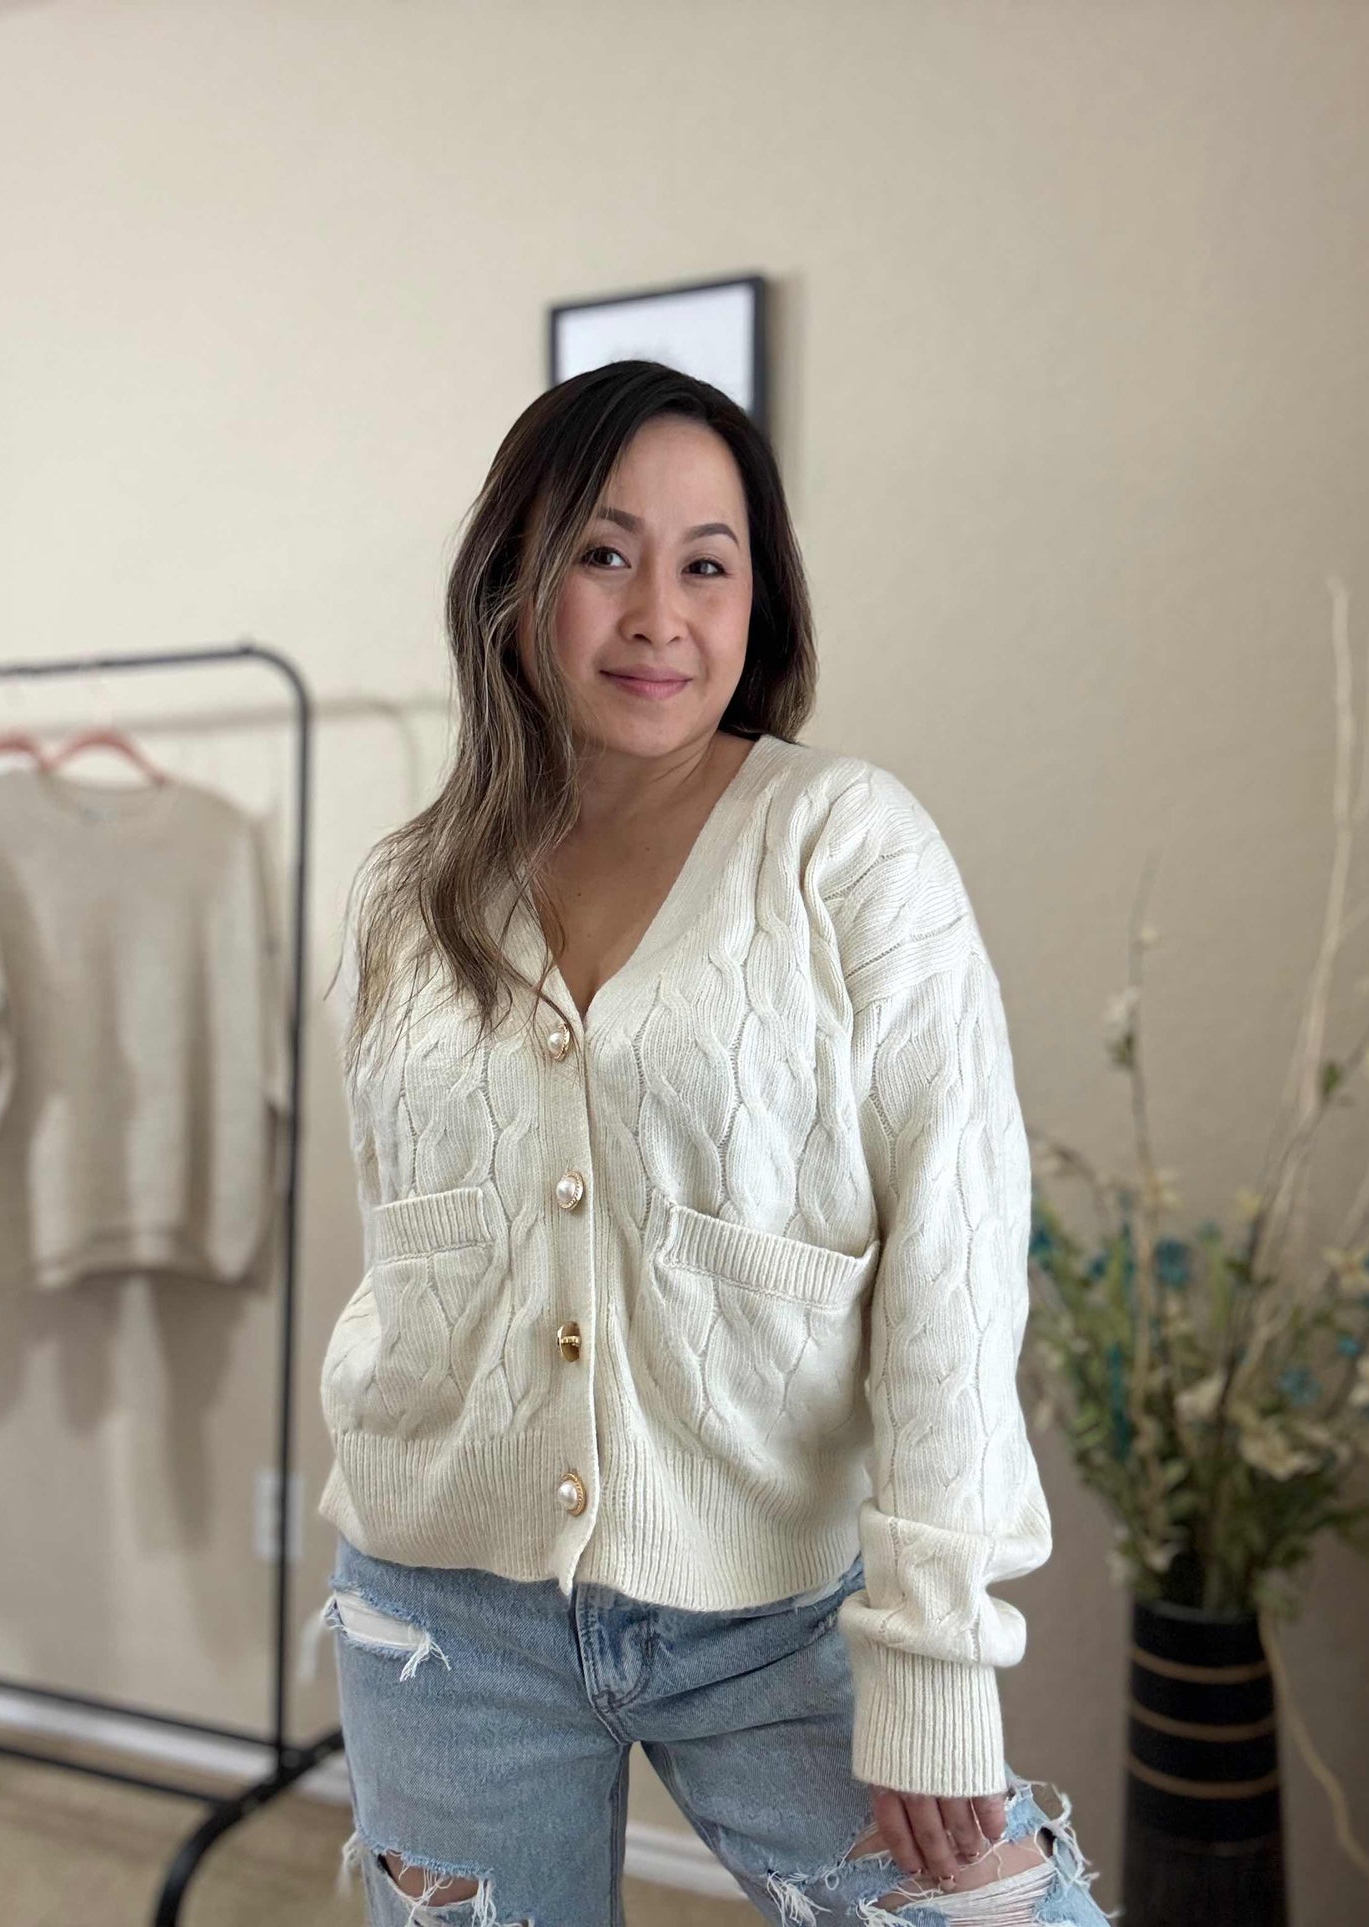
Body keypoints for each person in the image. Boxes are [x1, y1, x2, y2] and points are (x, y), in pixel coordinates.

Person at [315, 359, 1110, 1926]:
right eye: (603, 555)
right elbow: (409, 1258)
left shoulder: (844, 845)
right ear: (515, 579)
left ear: (763, 596)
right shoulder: (412, 890)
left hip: (784, 1611)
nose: (656, 615)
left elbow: (952, 1258)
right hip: (442, 1615)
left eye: (706, 563)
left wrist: (936, 1656)